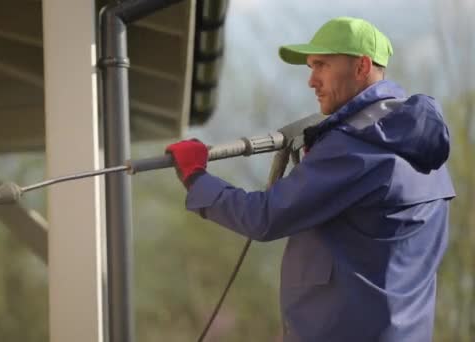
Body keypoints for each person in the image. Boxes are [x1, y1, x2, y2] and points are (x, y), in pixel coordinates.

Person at [165, 17, 455, 341]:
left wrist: (196, 177)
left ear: (361, 67)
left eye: (321, 65)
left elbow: (263, 217)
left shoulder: (354, 147)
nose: (311, 81)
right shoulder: (423, 150)